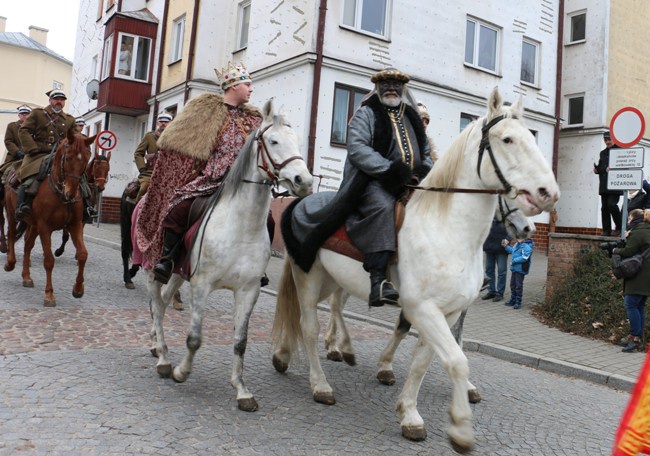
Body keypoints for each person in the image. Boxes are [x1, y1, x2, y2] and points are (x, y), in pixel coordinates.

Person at [135, 61, 262, 284]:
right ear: (233, 86)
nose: (251, 89)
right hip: (211, 180)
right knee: (178, 209)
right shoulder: (204, 112)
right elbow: (178, 145)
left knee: (266, 218)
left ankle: (257, 264)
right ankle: (168, 259)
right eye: (247, 84)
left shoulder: (252, 119)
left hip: (241, 183)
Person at [344, 68, 432, 307]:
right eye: (386, 84)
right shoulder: (367, 114)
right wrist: (391, 172)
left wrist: (422, 172)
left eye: (396, 84)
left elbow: (424, 152)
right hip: (372, 181)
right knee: (384, 207)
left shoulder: (412, 116)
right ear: (378, 87)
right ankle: (379, 281)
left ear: (403, 89)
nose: (391, 88)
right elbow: (358, 148)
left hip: (411, 182)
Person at [16, 90, 75, 221]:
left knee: (79, 176)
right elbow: (24, 131)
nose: (59, 101)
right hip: (38, 153)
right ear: (50, 101)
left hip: (60, 155)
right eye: (56, 99)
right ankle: (22, 206)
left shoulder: (70, 120)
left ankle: (86, 208)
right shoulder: (38, 114)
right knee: (30, 177)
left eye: (62, 99)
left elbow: (76, 138)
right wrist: (32, 148)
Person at [612, 209, 650, 353]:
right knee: (639, 306)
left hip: (639, 276)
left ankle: (634, 339)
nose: (628, 221)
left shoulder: (639, 232)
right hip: (646, 276)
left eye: (629, 218)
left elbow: (628, 252)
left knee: (631, 304)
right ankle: (638, 339)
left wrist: (616, 250)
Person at [133, 112, 172, 202]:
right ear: (157, 123)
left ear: (170, 123)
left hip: (169, 172)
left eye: (166, 122)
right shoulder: (149, 136)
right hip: (151, 172)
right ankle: (137, 211)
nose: (163, 123)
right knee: (143, 188)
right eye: (161, 121)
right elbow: (138, 153)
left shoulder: (175, 138)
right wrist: (142, 168)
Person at [594, 131, 623, 236]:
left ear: (614, 139)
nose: (607, 142)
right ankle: (606, 230)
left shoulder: (620, 150)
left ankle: (619, 227)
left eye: (609, 139)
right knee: (604, 208)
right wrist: (597, 170)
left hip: (615, 185)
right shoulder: (602, 153)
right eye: (605, 140)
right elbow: (602, 167)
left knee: (612, 205)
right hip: (604, 185)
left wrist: (614, 169)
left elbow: (625, 166)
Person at [482, 219, 511, 302]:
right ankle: (491, 291)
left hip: (501, 249)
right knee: (489, 270)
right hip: (489, 248)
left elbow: (512, 230)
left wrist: (508, 239)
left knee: (502, 272)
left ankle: (500, 293)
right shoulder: (490, 214)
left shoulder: (506, 216)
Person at [502, 236, 534, 309]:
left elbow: (525, 257)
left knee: (518, 285)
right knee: (512, 284)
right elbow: (513, 251)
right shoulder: (517, 244)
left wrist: (514, 261)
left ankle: (518, 301)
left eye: (521, 237)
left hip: (520, 269)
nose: (519, 238)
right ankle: (513, 299)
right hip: (514, 269)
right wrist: (506, 246)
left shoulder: (526, 247)